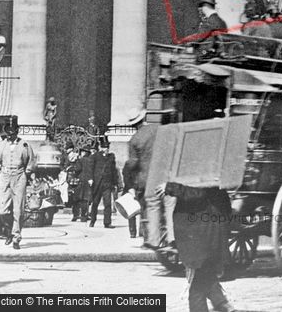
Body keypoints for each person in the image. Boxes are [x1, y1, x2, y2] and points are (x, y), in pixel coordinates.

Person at [161, 180, 236, 312]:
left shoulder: (200, 170)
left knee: (198, 277)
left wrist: (170, 187)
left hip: (199, 228)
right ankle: (221, 302)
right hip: (211, 224)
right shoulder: (216, 170)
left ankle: (218, 304)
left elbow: (197, 192)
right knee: (206, 270)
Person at [124, 107, 174, 248]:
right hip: (167, 175)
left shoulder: (134, 140)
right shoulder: (159, 129)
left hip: (148, 178)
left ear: (133, 124)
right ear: (144, 118)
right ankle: (172, 238)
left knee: (152, 206)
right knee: (170, 205)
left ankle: (153, 240)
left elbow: (133, 164)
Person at [0, 115, 35, 250]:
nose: (10, 134)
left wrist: (25, 173)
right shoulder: (1, 145)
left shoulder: (24, 145)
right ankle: (9, 229)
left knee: (18, 210)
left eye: (13, 131)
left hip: (19, 177)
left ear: (17, 131)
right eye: (8, 130)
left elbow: (31, 161)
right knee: (2, 208)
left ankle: (16, 237)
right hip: (5, 176)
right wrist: (2, 171)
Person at [86, 136, 120, 228]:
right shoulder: (95, 156)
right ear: (101, 148)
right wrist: (90, 178)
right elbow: (90, 168)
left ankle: (107, 222)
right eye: (105, 147)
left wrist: (115, 183)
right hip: (97, 183)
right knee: (95, 203)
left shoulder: (111, 157)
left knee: (108, 203)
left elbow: (114, 171)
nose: (106, 149)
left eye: (107, 147)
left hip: (107, 184)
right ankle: (92, 220)